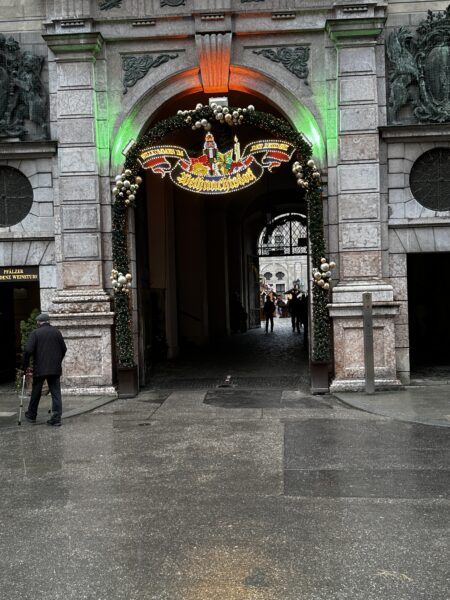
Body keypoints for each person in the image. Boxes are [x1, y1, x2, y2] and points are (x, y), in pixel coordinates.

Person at [22, 313, 67, 426]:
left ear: (38, 322)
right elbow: (64, 349)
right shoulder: (57, 332)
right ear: (48, 321)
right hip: (54, 368)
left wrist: (25, 366)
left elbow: (28, 350)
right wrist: (57, 361)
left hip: (40, 368)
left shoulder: (35, 333)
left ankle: (32, 415)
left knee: (36, 392)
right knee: (56, 393)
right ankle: (56, 419)